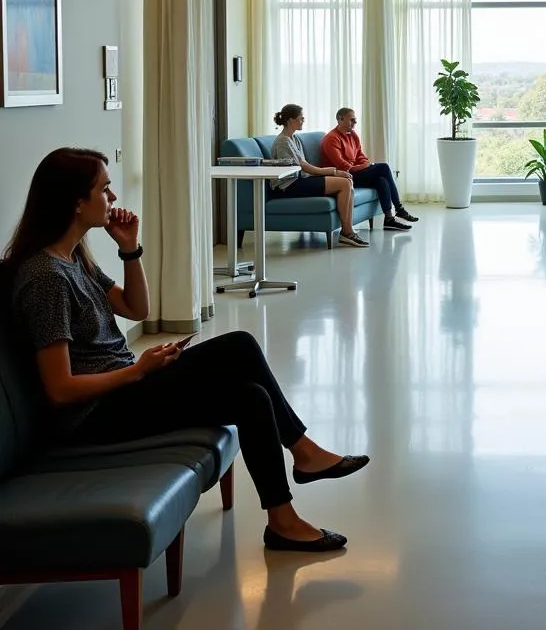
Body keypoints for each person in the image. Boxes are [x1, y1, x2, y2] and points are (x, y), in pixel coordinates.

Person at [3, 148, 370, 552]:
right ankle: (301, 462)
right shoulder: (47, 278)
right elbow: (59, 388)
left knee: (250, 392)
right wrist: (138, 371)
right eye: (104, 190)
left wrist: (130, 249)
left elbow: (135, 308)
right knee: (241, 354)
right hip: (94, 416)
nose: (112, 198)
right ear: (76, 202)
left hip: (124, 389)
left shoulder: (74, 260)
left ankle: (286, 511)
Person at [270, 104, 368, 248]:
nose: (303, 120)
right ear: (290, 120)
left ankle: (348, 232)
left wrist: (336, 173)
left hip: (301, 179)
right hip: (289, 185)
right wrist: (333, 171)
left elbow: (304, 166)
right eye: (300, 118)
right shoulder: (283, 141)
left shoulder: (293, 138)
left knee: (347, 182)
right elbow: (304, 167)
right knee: (344, 183)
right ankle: (347, 233)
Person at [320, 108, 418, 231]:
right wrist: (365, 166)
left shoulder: (353, 135)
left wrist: (365, 164)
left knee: (381, 180)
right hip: (342, 177)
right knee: (384, 167)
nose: (355, 122)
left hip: (355, 173)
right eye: (352, 120)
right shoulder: (331, 139)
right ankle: (399, 209)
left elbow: (360, 156)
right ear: (340, 119)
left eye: (355, 120)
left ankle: (389, 219)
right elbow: (342, 166)